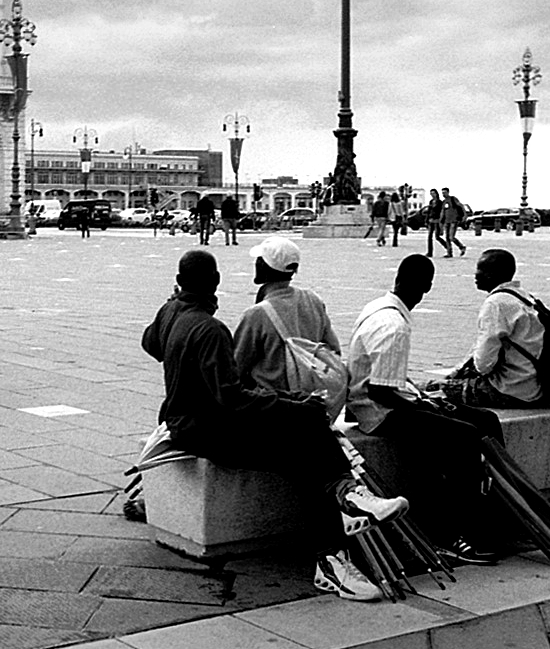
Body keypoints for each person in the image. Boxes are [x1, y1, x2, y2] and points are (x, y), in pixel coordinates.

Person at [143, 250, 409, 602]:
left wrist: (171, 303)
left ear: (179, 282)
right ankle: (342, 519)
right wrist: (291, 402)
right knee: (309, 433)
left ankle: (342, 522)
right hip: (208, 430)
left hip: (191, 423)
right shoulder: (210, 329)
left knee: (305, 452)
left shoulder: (172, 312)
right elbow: (232, 398)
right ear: (216, 282)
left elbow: (151, 343)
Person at [345, 254, 503, 566]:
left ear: (398, 278)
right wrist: (425, 409)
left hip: (378, 402)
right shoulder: (394, 326)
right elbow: (380, 392)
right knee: (465, 435)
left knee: (486, 419)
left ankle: (492, 506)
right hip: (378, 414)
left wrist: (426, 402)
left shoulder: (379, 308)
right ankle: (455, 533)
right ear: (426, 288)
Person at [425, 249, 550, 408]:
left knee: (427, 390)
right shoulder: (524, 297)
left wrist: (456, 378)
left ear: (494, 274)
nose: (476, 275)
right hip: (538, 389)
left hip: (510, 390)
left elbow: (483, 364)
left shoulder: (496, 304)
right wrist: (456, 372)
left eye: (481, 269)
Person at [233, 236, 341, 393]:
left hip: (271, 403)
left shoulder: (257, 315)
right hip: (309, 398)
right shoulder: (313, 300)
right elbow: (334, 348)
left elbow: (237, 367)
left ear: (263, 266)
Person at [440, 187, 467, 257]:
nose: (443, 194)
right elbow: (443, 211)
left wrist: (464, 215)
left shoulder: (453, 199)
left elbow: (460, 205)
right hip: (447, 221)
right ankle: (449, 253)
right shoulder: (444, 202)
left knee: (451, 237)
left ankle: (461, 247)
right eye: (442, 193)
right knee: (447, 237)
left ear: (448, 192)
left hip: (454, 220)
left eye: (445, 192)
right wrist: (441, 220)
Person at [425, 189, 447, 257]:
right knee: (429, 237)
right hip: (431, 220)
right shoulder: (431, 202)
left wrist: (441, 221)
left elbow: (441, 212)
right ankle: (430, 252)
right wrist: (427, 219)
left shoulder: (440, 202)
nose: (432, 195)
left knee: (437, 237)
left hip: (437, 220)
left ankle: (447, 247)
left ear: (436, 194)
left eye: (433, 193)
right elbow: (429, 211)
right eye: (431, 193)